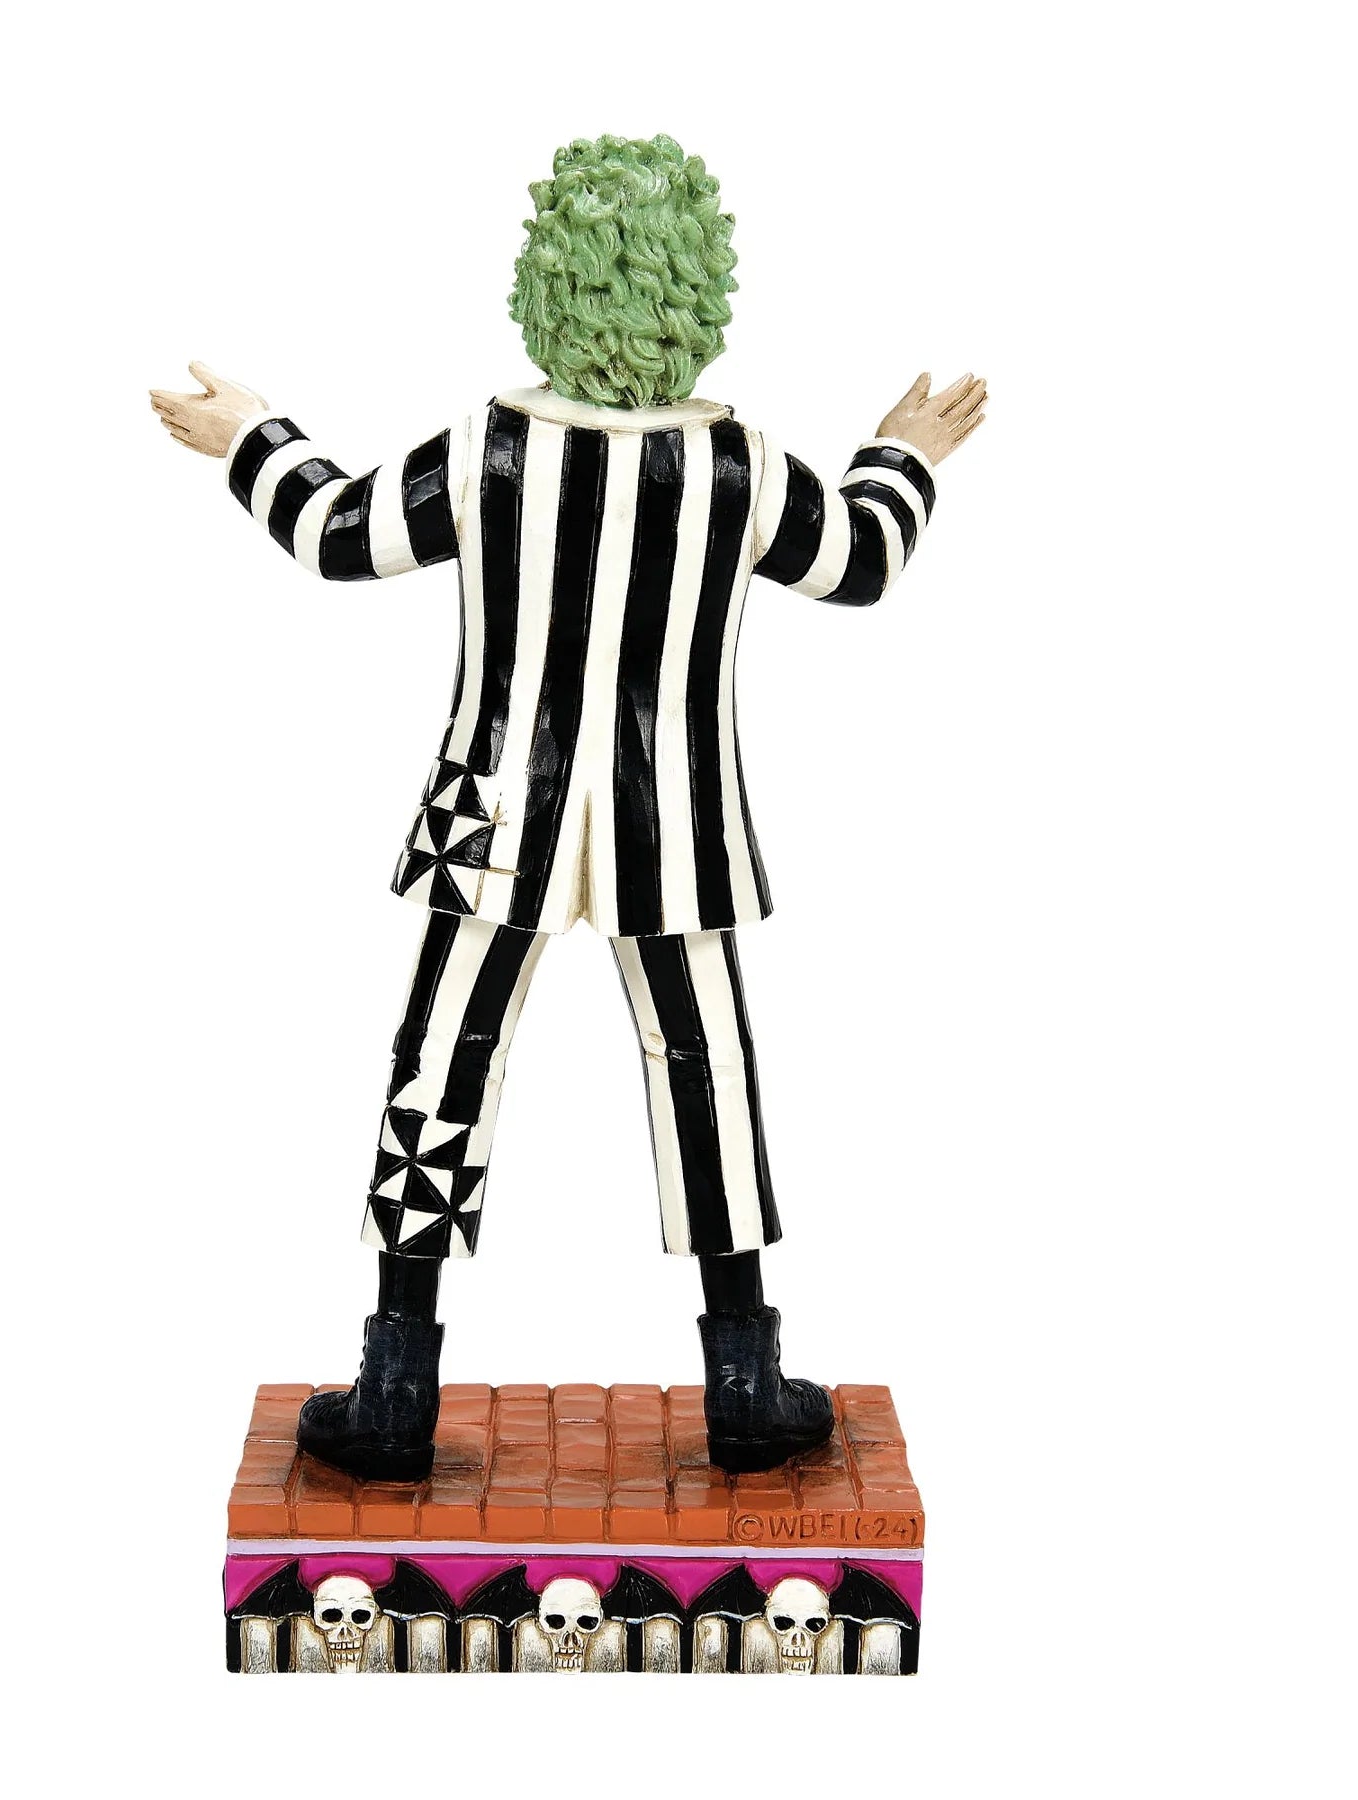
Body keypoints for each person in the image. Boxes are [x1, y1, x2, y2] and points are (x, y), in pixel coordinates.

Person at [150, 133, 985, 1479]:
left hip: (492, 817)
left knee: (442, 1068)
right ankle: (745, 1377)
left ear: (545, 282)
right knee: (707, 1077)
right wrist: (904, 451)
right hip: (676, 825)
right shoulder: (734, 466)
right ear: (699, 291)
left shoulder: (492, 448)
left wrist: (253, 435)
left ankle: (396, 1381)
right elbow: (862, 555)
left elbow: (340, 533)